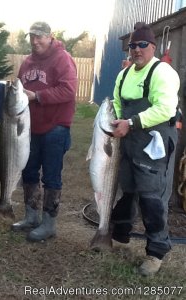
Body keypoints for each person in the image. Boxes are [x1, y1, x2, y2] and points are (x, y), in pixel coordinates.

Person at [111, 22, 180, 276]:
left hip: (154, 143)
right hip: (128, 141)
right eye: (132, 46)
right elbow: (118, 102)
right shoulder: (124, 74)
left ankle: (155, 253)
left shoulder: (163, 72)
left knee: (152, 199)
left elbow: (165, 109)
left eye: (142, 45)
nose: (136, 50)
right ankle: (120, 235)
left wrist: (130, 122)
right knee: (126, 190)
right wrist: (119, 121)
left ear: (153, 46)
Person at [11, 22, 78, 242]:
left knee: (51, 176)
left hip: (56, 127)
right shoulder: (27, 62)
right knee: (28, 171)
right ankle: (31, 216)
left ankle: (49, 224)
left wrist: (38, 97)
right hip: (29, 128)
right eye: (32, 37)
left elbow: (68, 90)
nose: (35, 41)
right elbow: (20, 90)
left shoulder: (62, 58)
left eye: (40, 37)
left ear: (50, 37)